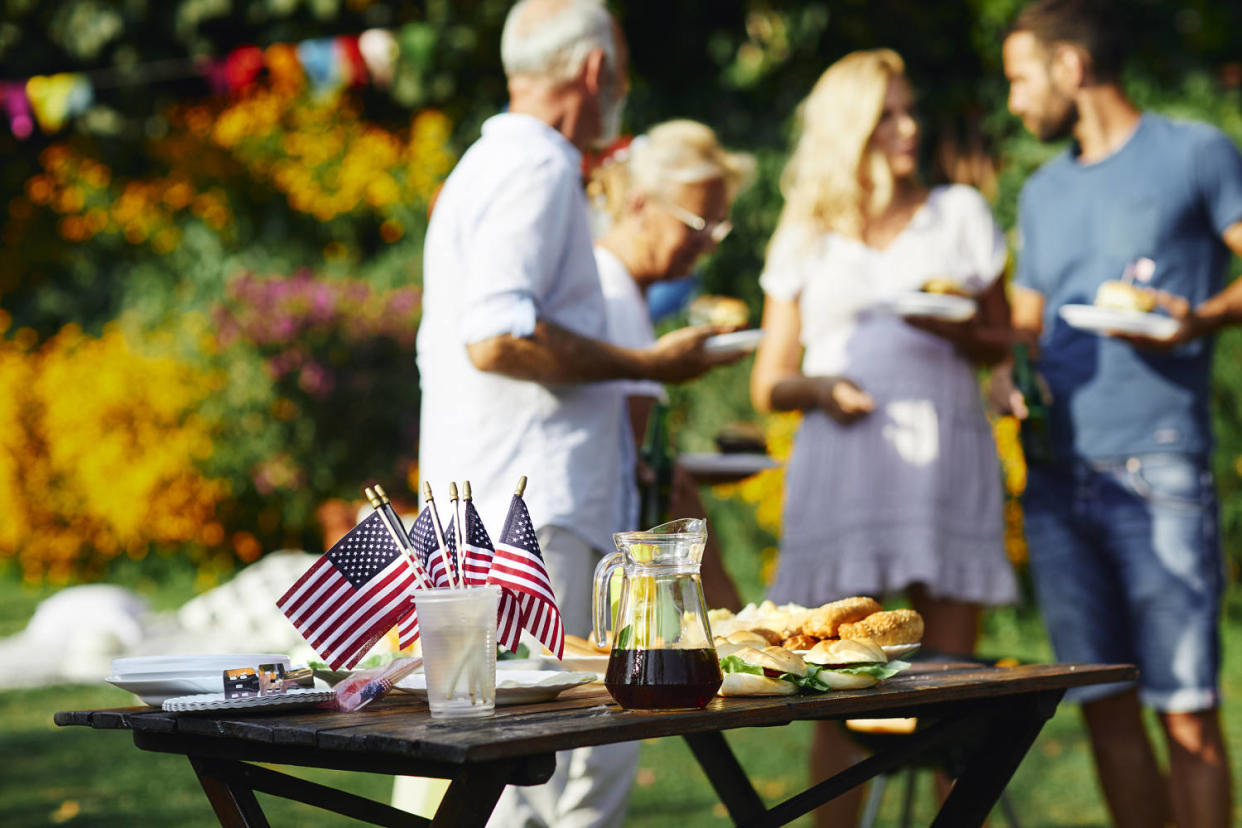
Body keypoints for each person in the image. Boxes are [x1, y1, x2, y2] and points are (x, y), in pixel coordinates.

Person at [414, 2, 742, 825]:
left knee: (510, 765)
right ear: (595, 71)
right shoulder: (539, 168)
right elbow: (494, 336)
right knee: (531, 772)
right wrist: (646, 364)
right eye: (621, 69)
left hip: (490, 500)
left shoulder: (483, 165)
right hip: (536, 513)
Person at [748, 48, 1019, 825]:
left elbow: (1000, 339)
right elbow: (771, 379)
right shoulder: (808, 231)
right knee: (833, 678)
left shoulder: (959, 213)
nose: (909, 128)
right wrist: (821, 389)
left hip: (944, 457)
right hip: (845, 466)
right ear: (849, 130)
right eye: (888, 116)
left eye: (909, 111)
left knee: (952, 691)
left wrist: (965, 329)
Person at [998, 2, 1242, 825]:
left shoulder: (1195, 153)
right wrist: (1003, 368)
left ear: (1072, 67)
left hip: (1158, 462)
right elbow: (1027, 322)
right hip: (1057, 477)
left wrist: (1199, 318)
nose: (1014, 101)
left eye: (1021, 77)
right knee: (1101, 703)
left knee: (1186, 704)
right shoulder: (1041, 190)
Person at [588, 119, 755, 610]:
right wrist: (727, 612)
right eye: (698, 225)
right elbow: (657, 469)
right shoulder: (611, 292)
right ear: (640, 204)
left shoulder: (625, 293)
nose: (709, 244)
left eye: (719, 228)